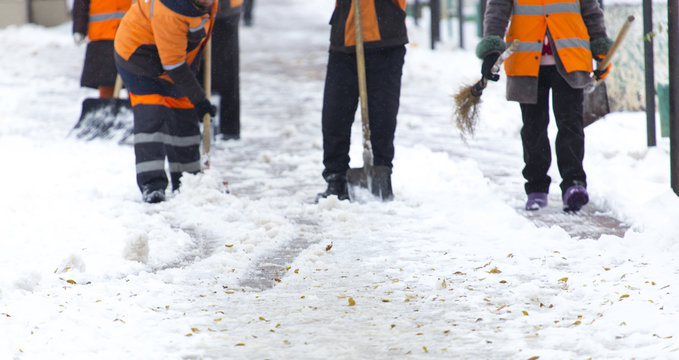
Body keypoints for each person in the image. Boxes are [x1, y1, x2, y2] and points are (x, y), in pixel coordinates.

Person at [477, 0, 613, 212]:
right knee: (533, 128)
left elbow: (591, 12)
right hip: (526, 62)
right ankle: (536, 187)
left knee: (570, 125)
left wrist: (601, 47)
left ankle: (574, 184)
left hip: (571, 60)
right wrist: (491, 50)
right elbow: (497, 11)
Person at [114, 0, 218, 203]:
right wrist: (200, 99)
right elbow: (175, 66)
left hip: (176, 59)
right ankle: (152, 185)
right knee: (151, 117)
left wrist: (194, 93)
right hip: (138, 59)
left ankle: (187, 181)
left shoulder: (208, 4)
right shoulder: (169, 10)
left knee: (184, 116)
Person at [316, 0, 408, 201]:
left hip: (385, 35)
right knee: (335, 112)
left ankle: (381, 174)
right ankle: (335, 178)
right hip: (345, 36)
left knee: (383, 113)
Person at [72, 0, 132, 98]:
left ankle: (136, 108)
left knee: (136, 80)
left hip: (131, 35)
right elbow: (81, 3)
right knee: (106, 81)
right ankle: (106, 105)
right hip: (102, 35)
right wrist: (79, 28)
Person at [212, 0, 243, 140]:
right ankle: (193, 122)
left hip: (226, 12)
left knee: (228, 72)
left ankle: (230, 129)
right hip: (192, 11)